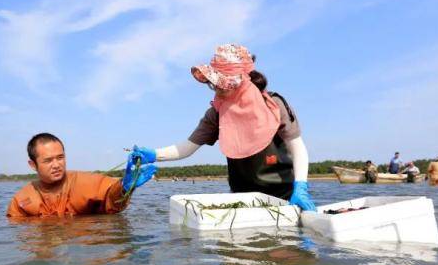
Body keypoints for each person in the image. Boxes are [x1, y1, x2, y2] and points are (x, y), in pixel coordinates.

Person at [129, 44, 316, 212]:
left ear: (242, 81)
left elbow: (296, 146)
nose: (217, 89)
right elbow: (188, 146)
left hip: (285, 197)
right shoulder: (216, 114)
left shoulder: (274, 105)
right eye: (214, 84)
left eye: (223, 85)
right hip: (243, 200)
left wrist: (301, 187)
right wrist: (153, 154)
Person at [6, 133, 156, 217]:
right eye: (48, 160)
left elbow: (111, 199)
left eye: (60, 157)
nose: (57, 165)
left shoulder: (85, 182)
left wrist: (124, 187)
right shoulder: (21, 200)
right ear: (33, 165)